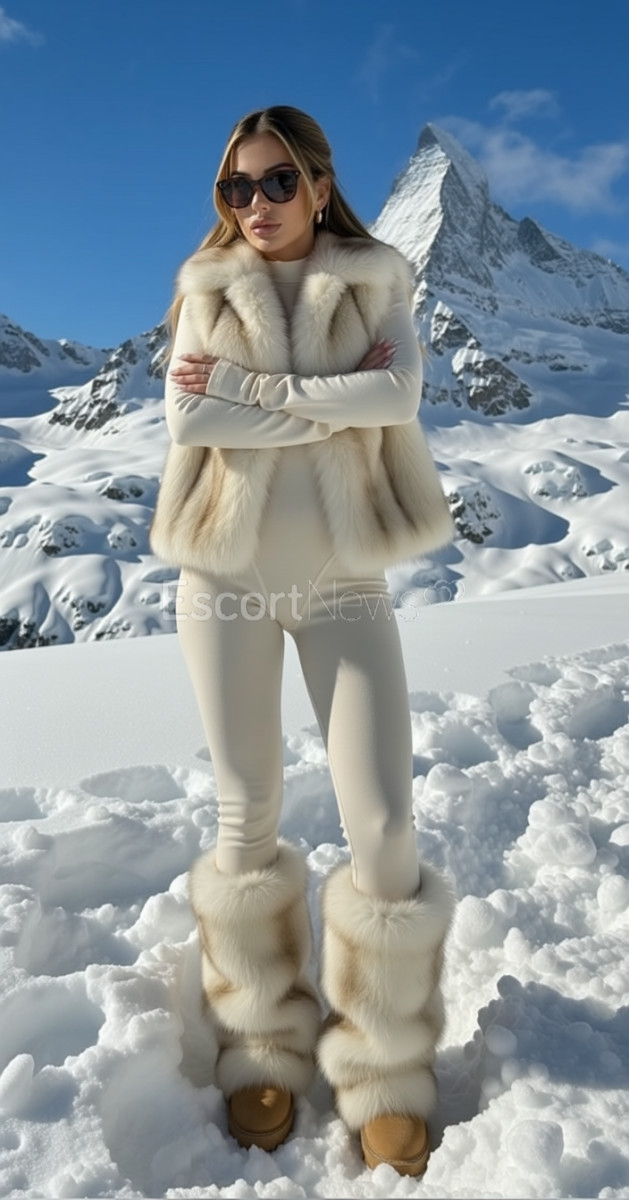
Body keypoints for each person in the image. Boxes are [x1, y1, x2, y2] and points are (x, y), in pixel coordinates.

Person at [150, 105, 455, 1177]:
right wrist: (331, 401)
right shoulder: (206, 287)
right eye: (237, 187)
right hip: (222, 586)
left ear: (320, 186)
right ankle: (260, 1047)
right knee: (246, 811)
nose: (256, 204)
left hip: (344, 588)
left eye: (277, 181)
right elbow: (190, 423)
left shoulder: (374, 279)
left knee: (384, 826)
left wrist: (251, 388)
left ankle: (386, 1064)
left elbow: (397, 392)